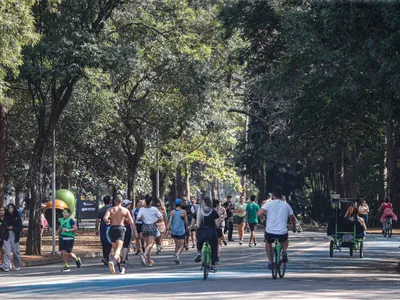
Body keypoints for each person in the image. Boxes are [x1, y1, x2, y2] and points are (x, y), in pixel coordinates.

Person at [257, 189, 296, 270]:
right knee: (285, 240)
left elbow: (259, 213)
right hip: (282, 232)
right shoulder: (286, 205)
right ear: (281, 196)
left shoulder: (268, 204)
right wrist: (293, 227)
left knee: (268, 243)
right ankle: (284, 251)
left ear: (273, 196)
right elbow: (292, 217)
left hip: (270, 232)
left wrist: (263, 217)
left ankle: (270, 262)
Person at [103, 195, 134, 274]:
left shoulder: (110, 209)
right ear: (121, 201)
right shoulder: (125, 210)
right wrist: (125, 219)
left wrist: (108, 221)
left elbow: (105, 218)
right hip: (120, 229)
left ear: (114, 201)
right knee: (118, 250)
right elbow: (131, 222)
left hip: (112, 229)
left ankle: (120, 269)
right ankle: (113, 261)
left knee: (115, 249)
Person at [194, 196, 221, 273]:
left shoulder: (198, 211)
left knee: (199, 241)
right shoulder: (213, 212)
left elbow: (194, 223)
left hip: (201, 232)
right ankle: (212, 265)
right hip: (211, 232)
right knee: (214, 247)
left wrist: (191, 227)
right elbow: (217, 224)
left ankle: (199, 252)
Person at [137, 196, 163, 267]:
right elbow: (161, 218)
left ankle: (149, 261)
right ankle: (144, 256)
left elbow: (138, 218)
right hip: (152, 226)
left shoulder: (142, 209)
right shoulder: (154, 209)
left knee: (147, 245)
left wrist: (144, 218)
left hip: (145, 226)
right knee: (150, 245)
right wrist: (155, 220)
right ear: (151, 202)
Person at [57, 208, 82, 272]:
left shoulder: (71, 220)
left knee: (69, 253)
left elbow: (75, 228)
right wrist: (58, 231)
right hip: (62, 237)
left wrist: (68, 230)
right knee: (62, 252)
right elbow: (61, 226)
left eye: (65, 212)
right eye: (63, 212)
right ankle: (66, 266)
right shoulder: (61, 220)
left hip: (69, 238)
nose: (64, 214)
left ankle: (77, 259)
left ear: (68, 214)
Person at [167, 199, 188, 264]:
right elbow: (186, 221)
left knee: (176, 245)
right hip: (181, 231)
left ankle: (177, 257)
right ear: (181, 204)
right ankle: (177, 254)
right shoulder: (183, 211)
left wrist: (168, 227)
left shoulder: (172, 212)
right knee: (181, 245)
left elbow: (170, 221)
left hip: (174, 230)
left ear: (175, 204)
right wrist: (187, 227)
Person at [95, 195, 112, 266]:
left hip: (102, 227)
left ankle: (105, 257)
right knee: (109, 242)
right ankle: (106, 257)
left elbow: (97, 220)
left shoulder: (101, 210)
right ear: (110, 201)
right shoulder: (111, 209)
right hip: (109, 227)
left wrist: (96, 229)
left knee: (104, 243)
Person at [121, 199, 136, 266]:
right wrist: (134, 231)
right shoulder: (128, 212)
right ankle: (124, 259)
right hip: (127, 228)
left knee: (121, 244)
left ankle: (123, 258)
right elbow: (131, 222)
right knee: (126, 245)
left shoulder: (119, 210)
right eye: (129, 203)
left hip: (120, 228)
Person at [213, 199, 226, 264]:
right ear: (218, 204)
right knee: (218, 244)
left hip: (210, 229)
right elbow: (218, 222)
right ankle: (217, 258)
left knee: (211, 243)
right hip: (218, 228)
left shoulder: (209, 211)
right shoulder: (218, 212)